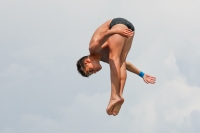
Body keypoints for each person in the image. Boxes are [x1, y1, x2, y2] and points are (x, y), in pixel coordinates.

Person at [76, 18, 156, 116]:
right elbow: (127, 65)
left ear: (87, 61)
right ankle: (119, 95)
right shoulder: (104, 58)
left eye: (91, 70)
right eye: (92, 73)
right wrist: (142, 74)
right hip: (129, 29)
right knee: (120, 62)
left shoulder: (93, 48)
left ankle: (114, 96)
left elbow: (105, 35)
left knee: (114, 59)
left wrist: (117, 30)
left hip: (117, 26)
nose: (95, 72)